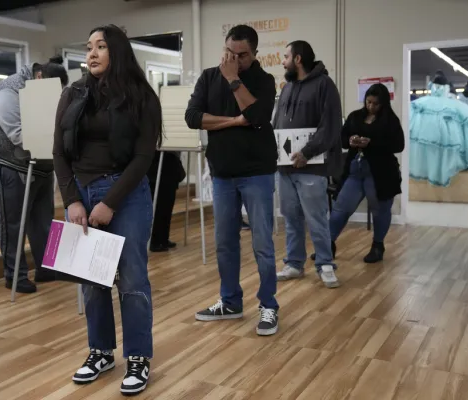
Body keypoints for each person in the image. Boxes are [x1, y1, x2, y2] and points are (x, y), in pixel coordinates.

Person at [53, 25, 162, 395]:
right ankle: (100, 351)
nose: (93, 53)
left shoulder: (141, 97)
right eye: (88, 47)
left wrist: (109, 202)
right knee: (92, 280)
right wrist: (72, 201)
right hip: (82, 195)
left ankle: (138, 357)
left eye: (101, 46)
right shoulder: (73, 93)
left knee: (131, 278)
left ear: (117, 51)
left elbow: (143, 157)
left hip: (125, 194)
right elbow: (59, 153)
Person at [186, 25, 279, 336]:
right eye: (230, 53)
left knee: (263, 243)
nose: (234, 60)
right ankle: (230, 301)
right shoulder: (208, 77)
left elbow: (256, 116)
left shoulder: (263, 81)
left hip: (257, 173)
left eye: (242, 55)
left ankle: (268, 305)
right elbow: (193, 117)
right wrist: (233, 122)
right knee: (224, 243)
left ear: (254, 54)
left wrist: (233, 80)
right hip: (223, 173)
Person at [0, 56, 69, 294]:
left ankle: (46, 268)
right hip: (11, 165)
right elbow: (18, 135)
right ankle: (15, 275)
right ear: (39, 77)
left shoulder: (46, 88)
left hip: (42, 165)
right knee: (13, 222)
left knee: (43, 221)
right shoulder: (9, 92)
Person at [274, 40, 342, 288]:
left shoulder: (325, 85)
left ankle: (325, 264)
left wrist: (306, 152)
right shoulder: (287, 88)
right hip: (285, 169)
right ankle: (294, 263)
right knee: (291, 218)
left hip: (312, 167)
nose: (282, 61)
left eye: (285, 56)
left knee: (316, 218)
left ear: (298, 59)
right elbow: (277, 123)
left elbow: (331, 127)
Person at [328, 83, 404, 263]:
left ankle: (378, 246)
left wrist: (371, 143)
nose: (371, 106)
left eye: (375, 104)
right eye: (368, 102)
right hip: (355, 172)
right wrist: (351, 140)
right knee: (340, 208)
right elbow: (341, 139)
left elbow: (398, 145)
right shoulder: (355, 117)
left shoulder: (390, 121)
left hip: (379, 174)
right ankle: (327, 245)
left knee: (380, 210)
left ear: (383, 103)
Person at [146, 151, 186, 252]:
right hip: (158, 162)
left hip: (169, 162)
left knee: (167, 206)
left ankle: (163, 239)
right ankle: (155, 241)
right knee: (159, 206)